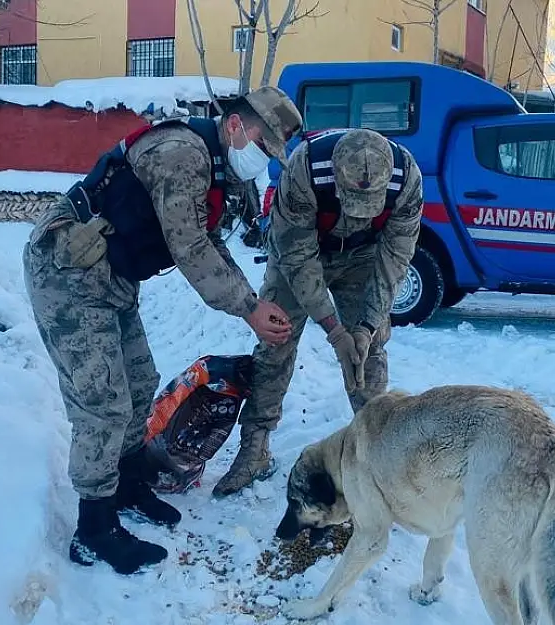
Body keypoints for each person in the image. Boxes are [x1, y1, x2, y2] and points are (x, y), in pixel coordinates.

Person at [22, 86, 304, 575]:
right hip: (66, 273)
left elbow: (209, 237)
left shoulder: (216, 165)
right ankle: (93, 530)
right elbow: (191, 248)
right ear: (236, 126)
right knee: (103, 403)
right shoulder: (181, 154)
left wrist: (254, 301)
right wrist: (249, 310)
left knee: (139, 381)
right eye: (263, 147)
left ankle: (127, 482)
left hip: (110, 276)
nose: (264, 161)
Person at [212, 127, 424, 498]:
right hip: (299, 252)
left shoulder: (406, 179)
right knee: (275, 339)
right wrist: (334, 330)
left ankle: (376, 454)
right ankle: (254, 448)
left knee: (369, 348)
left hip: (362, 257)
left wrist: (365, 326)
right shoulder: (304, 170)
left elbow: (395, 259)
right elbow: (297, 258)